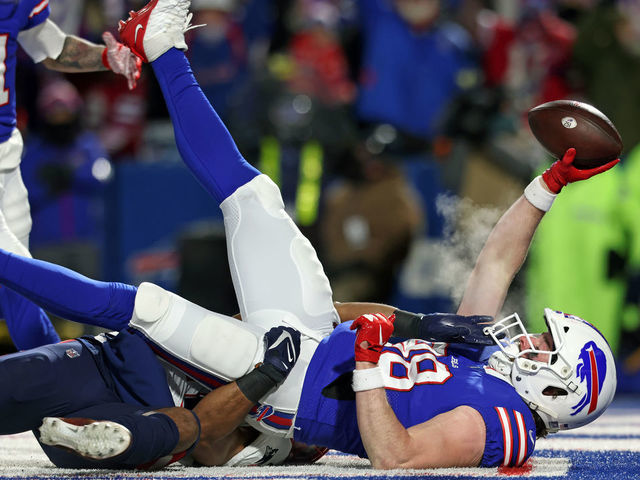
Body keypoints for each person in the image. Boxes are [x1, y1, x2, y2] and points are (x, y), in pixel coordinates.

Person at [0, 0, 619, 470]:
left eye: (544, 346)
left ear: (561, 387)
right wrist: (550, 184)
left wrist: (372, 365)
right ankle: (164, 47)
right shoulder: (485, 361)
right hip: (314, 328)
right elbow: (494, 265)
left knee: (146, 305)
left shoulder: (505, 421)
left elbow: (396, 456)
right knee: (254, 195)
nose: (528, 340)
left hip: (293, 388)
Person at [0, 0, 141, 349]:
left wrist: (106, 57)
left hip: (6, 153)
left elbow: (49, 46)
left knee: (20, 286)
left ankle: (55, 383)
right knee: (17, 274)